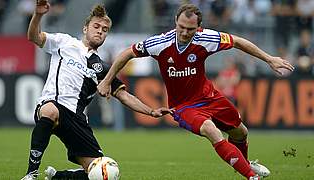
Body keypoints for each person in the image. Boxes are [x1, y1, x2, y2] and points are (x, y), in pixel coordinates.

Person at [98, 3, 294, 180]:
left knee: (241, 132)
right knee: (211, 130)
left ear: (198, 27)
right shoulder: (160, 43)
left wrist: (269, 59)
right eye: (181, 27)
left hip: (210, 97)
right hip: (183, 107)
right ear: (175, 21)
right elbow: (127, 53)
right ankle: (251, 177)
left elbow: (238, 41)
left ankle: (244, 164)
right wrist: (107, 81)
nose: (184, 32)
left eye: (190, 29)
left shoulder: (206, 38)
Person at [21, 1, 172, 180]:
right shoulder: (64, 42)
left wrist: (151, 110)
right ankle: (31, 174)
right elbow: (33, 37)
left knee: (102, 173)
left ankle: (58, 176)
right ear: (86, 28)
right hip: (52, 104)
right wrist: (38, 15)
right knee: (50, 110)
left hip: (77, 118)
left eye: (105, 29)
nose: (100, 31)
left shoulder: (102, 68)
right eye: (96, 26)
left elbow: (124, 96)